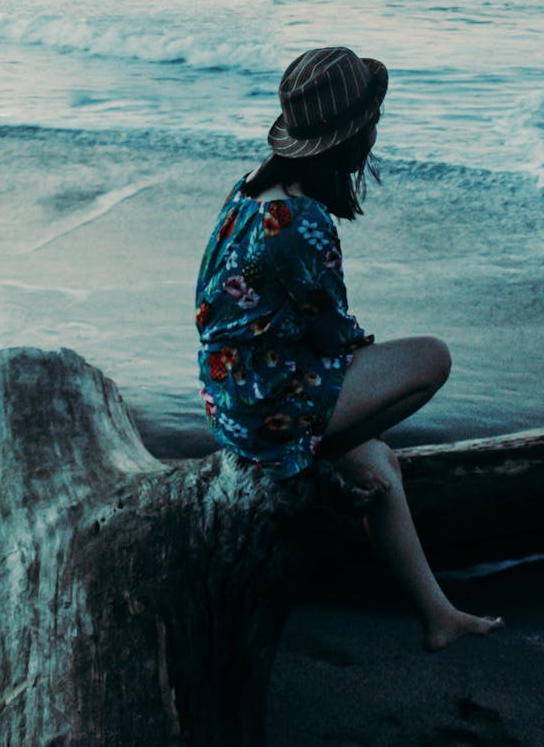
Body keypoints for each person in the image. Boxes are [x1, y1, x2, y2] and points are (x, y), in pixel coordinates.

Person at [195, 46, 503, 650]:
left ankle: (439, 616)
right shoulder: (302, 222)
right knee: (430, 359)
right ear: (351, 137)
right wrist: (363, 376)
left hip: (229, 395)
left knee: (379, 467)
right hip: (268, 410)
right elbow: (337, 337)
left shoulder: (251, 191)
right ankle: (313, 455)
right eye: (372, 121)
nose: (376, 130)